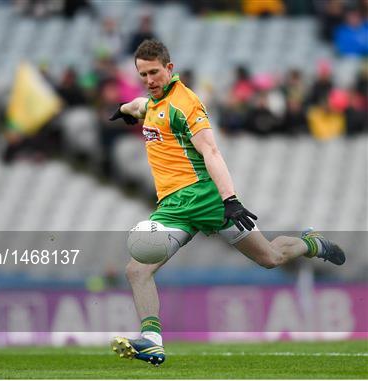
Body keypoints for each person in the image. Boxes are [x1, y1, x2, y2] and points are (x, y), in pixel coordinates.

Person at [108, 39, 345, 366]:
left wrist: (229, 199)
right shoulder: (151, 103)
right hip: (174, 208)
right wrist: (122, 111)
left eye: (154, 72)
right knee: (136, 270)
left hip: (205, 199)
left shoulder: (185, 104)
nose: (149, 80)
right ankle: (151, 340)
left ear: (169, 69)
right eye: (143, 74)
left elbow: (211, 151)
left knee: (271, 258)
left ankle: (311, 244)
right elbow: (139, 106)